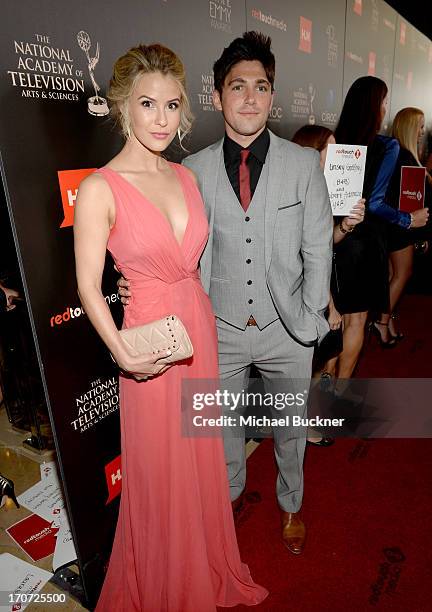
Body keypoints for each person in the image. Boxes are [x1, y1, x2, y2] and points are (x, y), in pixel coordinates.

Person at [119, 32, 333, 555]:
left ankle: (290, 505)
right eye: (238, 87)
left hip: (289, 332)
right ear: (218, 97)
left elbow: (319, 247)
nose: (250, 98)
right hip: (219, 331)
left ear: (271, 95)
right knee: (222, 438)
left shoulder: (303, 165)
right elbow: (171, 246)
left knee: (289, 430)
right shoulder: (189, 171)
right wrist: (137, 277)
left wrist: (309, 315)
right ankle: (227, 503)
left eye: (261, 87)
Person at [74, 43, 268, 611]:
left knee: (200, 459)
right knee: (161, 473)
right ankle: (164, 588)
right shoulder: (98, 188)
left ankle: (204, 570)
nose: (161, 119)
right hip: (150, 348)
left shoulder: (185, 176)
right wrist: (121, 352)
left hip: (198, 334)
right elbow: (88, 286)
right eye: (147, 104)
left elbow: (193, 261)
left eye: (172, 105)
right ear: (123, 108)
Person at [328, 76, 420, 382]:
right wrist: (409, 220)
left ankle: (322, 394)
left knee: (333, 320)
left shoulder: (332, 141)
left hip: (333, 240)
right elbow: (376, 202)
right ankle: (340, 394)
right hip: (365, 242)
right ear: (373, 107)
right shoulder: (387, 146)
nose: (385, 108)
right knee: (356, 322)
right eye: (383, 101)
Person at [291, 125, 365, 442]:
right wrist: (330, 305)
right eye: (328, 151)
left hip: (315, 288)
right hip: (299, 293)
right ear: (310, 152)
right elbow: (305, 257)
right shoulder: (298, 192)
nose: (334, 158)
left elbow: (323, 245)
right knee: (307, 361)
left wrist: (345, 226)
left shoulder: (320, 190)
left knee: (320, 358)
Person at [374, 107, 430, 343]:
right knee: (402, 274)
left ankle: (387, 318)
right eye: (420, 125)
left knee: (391, 275)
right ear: (409, 127)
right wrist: (418, 232)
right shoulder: (405, 157)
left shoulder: (395, 153)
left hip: (392, 224)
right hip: (402, 227)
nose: (422, 130)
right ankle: (381, 322)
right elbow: (409, 201)